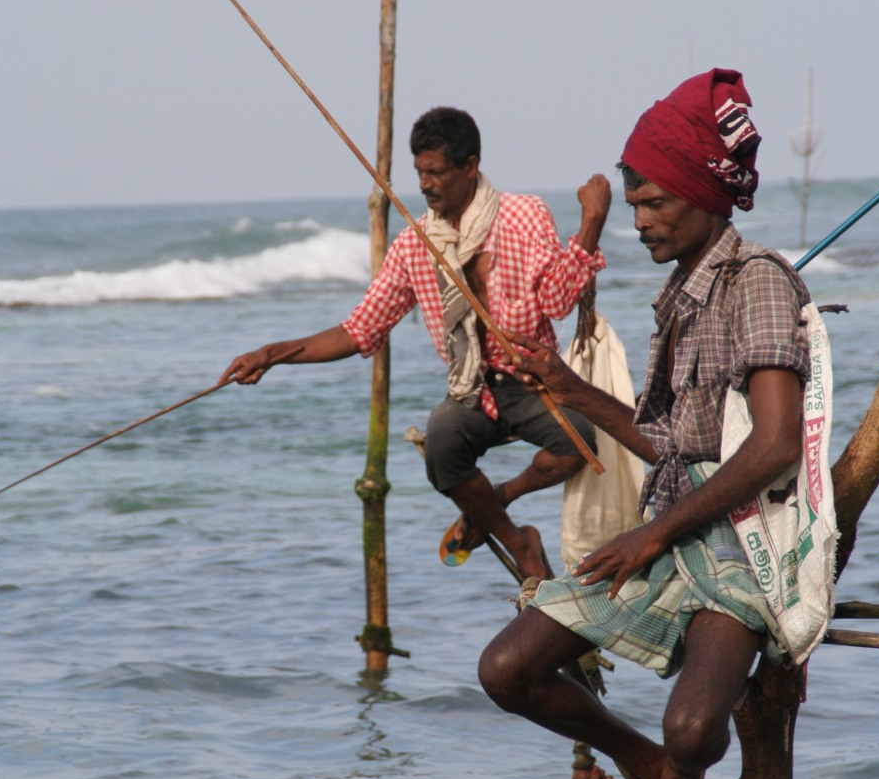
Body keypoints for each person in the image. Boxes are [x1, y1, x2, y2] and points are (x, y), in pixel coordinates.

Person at [477, 69, 811, 779]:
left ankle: (675, 771)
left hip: (737, 541)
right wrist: (571, 389)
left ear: (702, 194)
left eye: (654, 202)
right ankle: (643, 761)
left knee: (695, 728)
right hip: (669, 533)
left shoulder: (757, 280)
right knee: (506, 670)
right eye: (632, 205)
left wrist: (652, 532)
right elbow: (670, 447)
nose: (638, 221)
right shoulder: (678, 293)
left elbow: (774, 448)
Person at [219, 107, 611, 579]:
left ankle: (496, 500)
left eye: (437, 172)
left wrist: (591, 222)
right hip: (471, 390)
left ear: (470, 166)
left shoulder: (523, 216)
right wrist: (272, 354)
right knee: (442, 446)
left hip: (532, 380)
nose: (425, 184)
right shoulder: (414, 244)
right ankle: (518, 540)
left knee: (581, 443)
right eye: (419, 172)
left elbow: (559, 300)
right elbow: (359, 329)